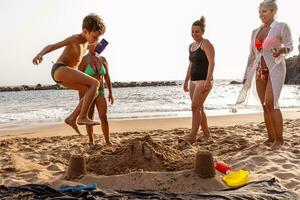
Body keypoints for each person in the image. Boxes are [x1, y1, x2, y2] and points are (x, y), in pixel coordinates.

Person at [32, 13, 106, 133]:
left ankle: (72, 118)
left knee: (92, 91)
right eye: (94, 37)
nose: (96, 40)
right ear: (85, 31)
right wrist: (40, 54)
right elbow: (53, 46)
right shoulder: (75, 39)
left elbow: (92, 49)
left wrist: (98, 46)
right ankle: (82, 117)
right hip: (60, 69)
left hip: (64, 74)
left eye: (98, 37)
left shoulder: (88, 43)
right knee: (95, 83)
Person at [238, 0, 293, 150]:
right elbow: (251, 55)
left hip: (275, 69)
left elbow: (289, 46)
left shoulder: (281, 27)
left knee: (271, 103)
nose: (261, 15)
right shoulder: (255, 32)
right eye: (260, 12)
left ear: (273, 11)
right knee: (264, 105)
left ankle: (279, 139)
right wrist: (246, 75)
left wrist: (281, 51)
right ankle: (270, 137)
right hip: (258, 71)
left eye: (264, 11)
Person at [181, 16, 215, 143]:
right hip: (193, 81)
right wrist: (186, 80)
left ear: (202, 32)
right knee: (199, 108)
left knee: (195, 107)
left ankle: (192, 136)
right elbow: (190, 65)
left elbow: (212, 63)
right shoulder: (191, 46)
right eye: (193, 31)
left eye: (197, 31)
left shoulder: (206, 43)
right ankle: (206, 134)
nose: (194, 34)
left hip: (203, 80)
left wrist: (207, 81)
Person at [78, 43, 114, 146]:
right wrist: (81, 96)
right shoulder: (83, 60)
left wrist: (111, 92)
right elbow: (79, 79)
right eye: (92, 44)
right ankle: (91, 140)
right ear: (88, 46)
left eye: (97, 44)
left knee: (103, 116)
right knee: (89, 116)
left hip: (100, 92)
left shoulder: (103, 59)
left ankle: (107, 140)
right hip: (88, 92)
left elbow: (107, 77)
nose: (95, 46)